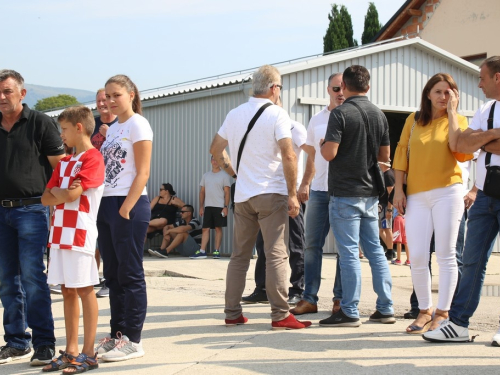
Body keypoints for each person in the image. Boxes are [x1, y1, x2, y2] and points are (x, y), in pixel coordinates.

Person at [210, 64, 311, 330]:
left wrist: (235, 173)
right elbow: (289, 155)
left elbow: (215, 149)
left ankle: (232, 312)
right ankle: (280, 314)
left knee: (240, 256)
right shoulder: (277, 114)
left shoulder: (234, 114)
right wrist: (292, 194)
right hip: (271, 193)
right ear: (274, 88)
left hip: (243, 196)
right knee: (277, 254)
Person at [423, 56, 500, 343]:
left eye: (482, 77)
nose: (478, 83)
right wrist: (492, 134)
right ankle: (458, 324)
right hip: (484, 196)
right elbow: (460, 144)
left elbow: (471, 142)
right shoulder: (486, 109)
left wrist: (480, 138)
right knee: (472, 261)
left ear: (498, 78)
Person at [392, 73, 472, 334]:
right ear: (428, 94)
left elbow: (460, 151)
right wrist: (399, 190)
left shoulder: (458, 121)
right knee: (416, 255)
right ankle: (424, 310)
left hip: (448, 192)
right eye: (438, 91)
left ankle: (443, 312)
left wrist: (451, 114)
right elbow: (402, 152)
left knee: (447, 255)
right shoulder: (413, 121)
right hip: (416, 194)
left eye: (449, 92)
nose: (443, 97)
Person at [320, 65, 395, 327]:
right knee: (375, 250)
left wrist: (322, 145)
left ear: (346, 87)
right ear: (368, 86)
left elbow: (329, 153)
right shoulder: (379, 115)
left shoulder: (340, 114)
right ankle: (385, 307)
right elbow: (385, 158)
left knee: (350, 253)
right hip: (370, 194)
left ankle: (350, 311)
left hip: (344, 192)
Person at [0, 69, 63, 366]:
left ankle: (44, 343)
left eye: (7, 91)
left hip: (31, 210)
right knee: (6, 281)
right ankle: (16, 341)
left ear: (22, 94)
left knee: (33, 277)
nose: (1, 97)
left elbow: (59, 168)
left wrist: (54, 203)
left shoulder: (40, 123)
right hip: (0, 212)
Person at [41, 106, 104, 373]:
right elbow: (45, 198)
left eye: (64, 129)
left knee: (84, 288)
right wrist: (61, 191)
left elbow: (69, 197)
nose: (61, 135)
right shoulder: (65, 162)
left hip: (80, 232)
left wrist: (60, 191)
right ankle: (71, 350)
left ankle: (88, 353)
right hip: (58, 234)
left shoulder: (93, 158)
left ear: (79, 127)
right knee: (66, 290)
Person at [95, 74, 153, 361]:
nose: (110, 100)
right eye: (107, 96)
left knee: (130, 273)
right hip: (106, 203)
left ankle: (134, 339)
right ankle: (117, 334)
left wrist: (126, 207)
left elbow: (143, 171)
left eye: (116, 95)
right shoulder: (113, 128)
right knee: (112, 275)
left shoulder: (137, 124)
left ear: (131, 94)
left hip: (128, 204)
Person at [242, 111, 312, 305]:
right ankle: (262, 288)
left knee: (295, 243)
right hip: (270, 194)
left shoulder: (295, 128)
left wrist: (305, 183)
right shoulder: (264, 130)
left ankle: (298, 289)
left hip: (292, 194)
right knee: (263, 243)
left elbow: (312, 154)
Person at [291, 73, 344, 316]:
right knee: (312, 244)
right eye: (336, 88)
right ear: (328, 89)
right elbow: (312, 157)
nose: (340, 92)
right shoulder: (316, 120)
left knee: (344, 248)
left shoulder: (353, 115)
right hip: (320, 191)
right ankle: (309, 298)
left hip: (345, 191)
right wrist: (305, 184)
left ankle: (340, 299)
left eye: (344, 87)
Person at [92, 88, 118, 299]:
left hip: (114, 189)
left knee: (109, 239)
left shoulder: (121, 125)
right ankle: (92, 277)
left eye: (106, 99)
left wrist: (108, 135)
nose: (102, 103)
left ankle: (111, 281)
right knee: (92, 236)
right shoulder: (90, 125)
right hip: (92, 189)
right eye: (99, 100)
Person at [195, 156, 231, 259]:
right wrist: (201, 206)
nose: (215, 162)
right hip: (208, 206)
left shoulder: (224, 176)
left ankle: (216, 251)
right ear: (210, 161)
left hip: (219, 206)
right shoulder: (206, 175)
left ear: (220, 162)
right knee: (205, 229)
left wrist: (225, 207)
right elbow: (202, 192)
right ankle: (202, 251)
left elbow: (227, 192)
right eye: (213, 160)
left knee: (217, 228)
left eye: (217, 160)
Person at [379, 164, 395, 259]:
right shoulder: (385, 174)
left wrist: (389, 209)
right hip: (383, 206)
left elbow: (391, 194)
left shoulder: (388, 175)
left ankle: (390, 251)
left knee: (387, 229)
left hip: (386, 206)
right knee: (382, 230)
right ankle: (390, 250)